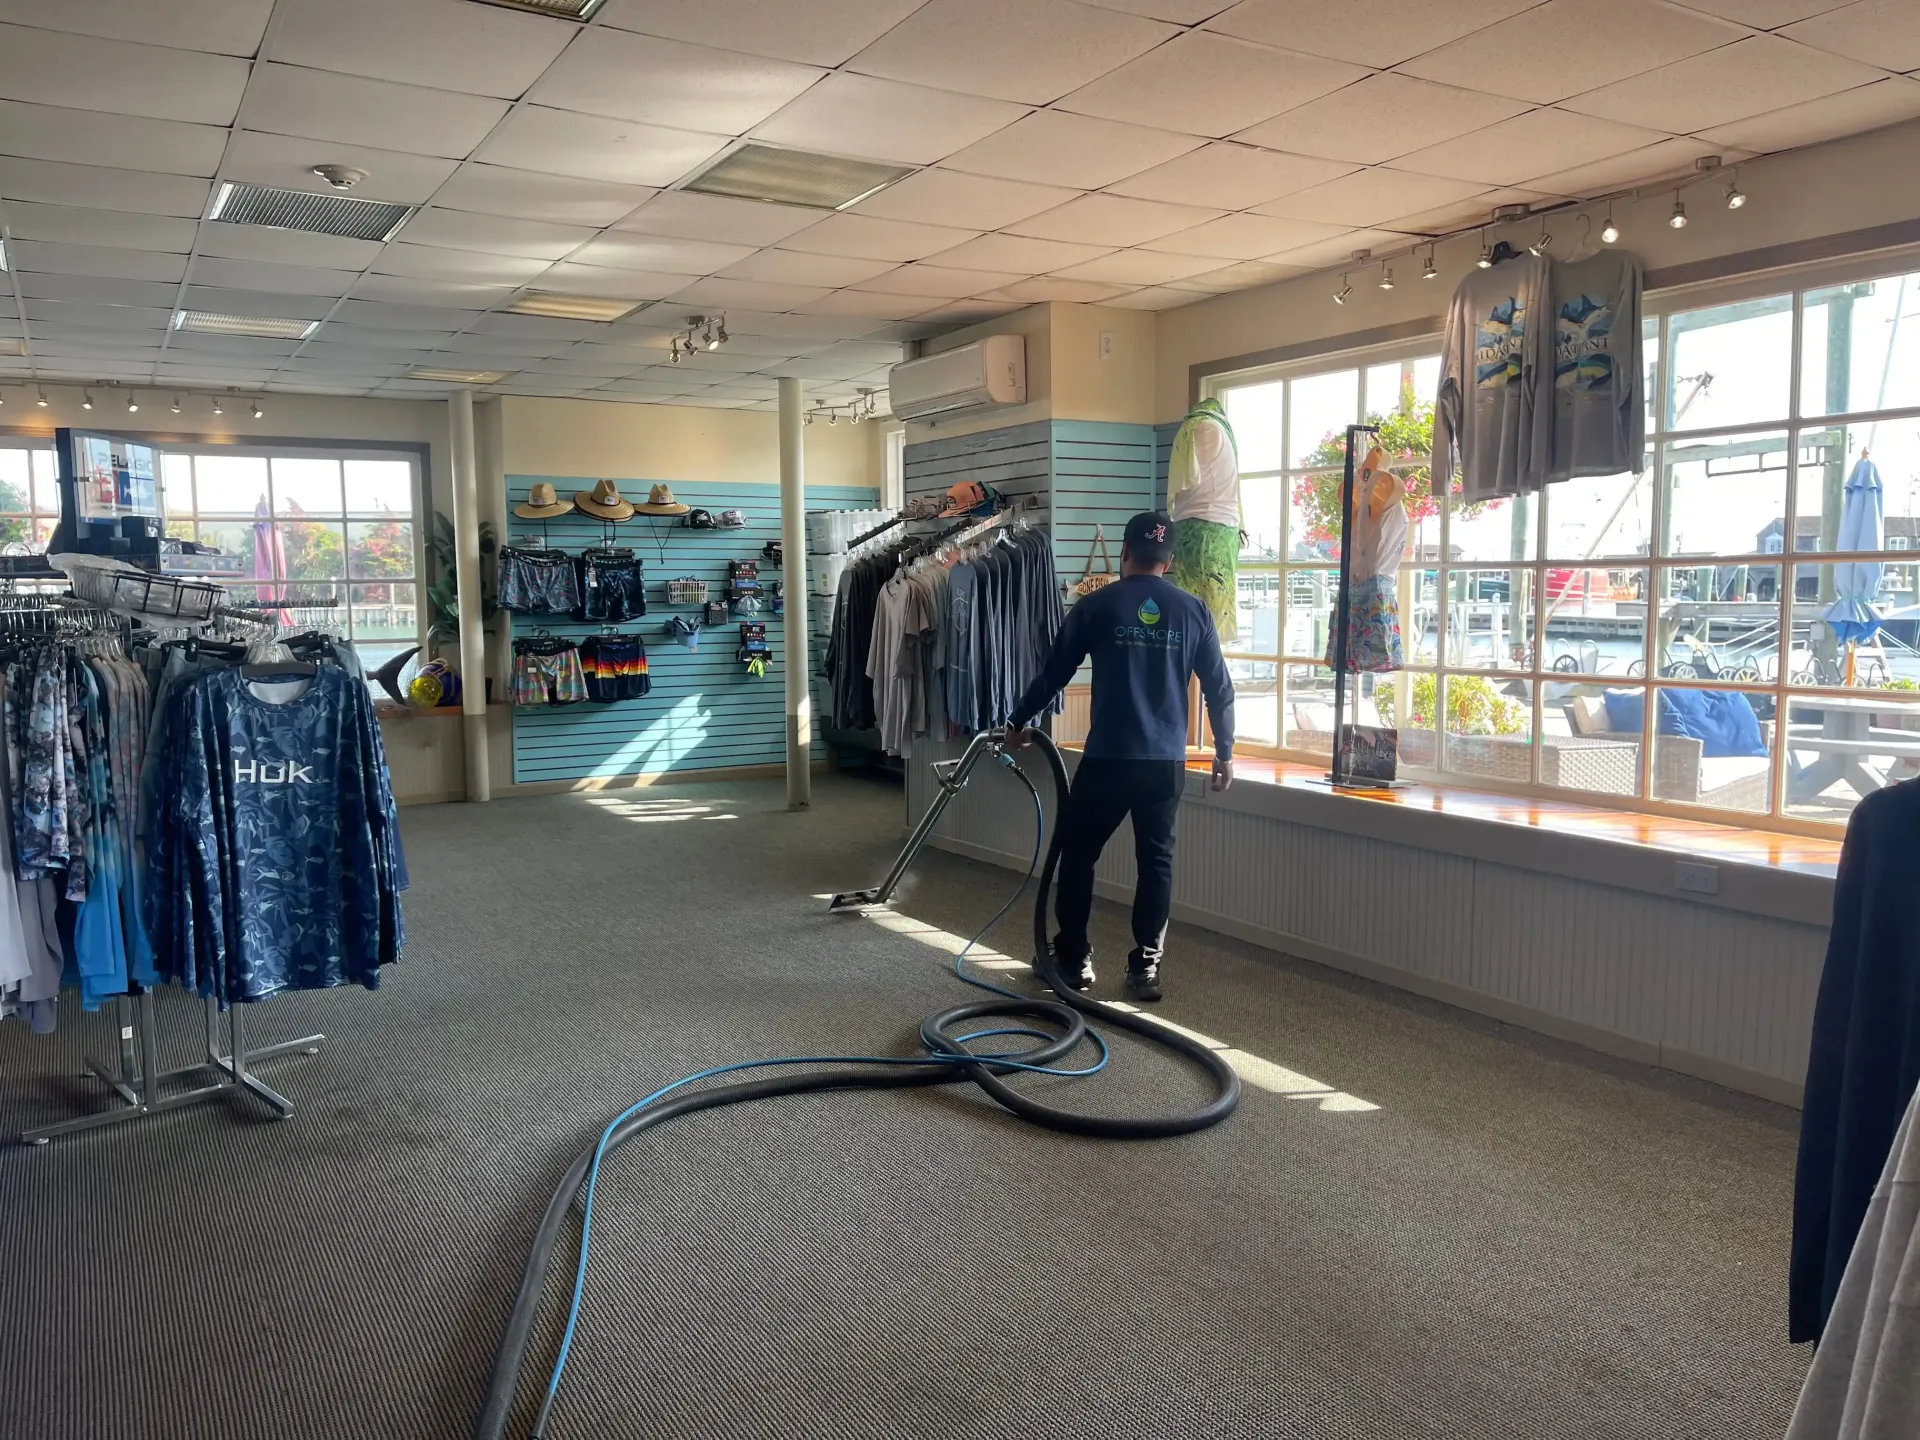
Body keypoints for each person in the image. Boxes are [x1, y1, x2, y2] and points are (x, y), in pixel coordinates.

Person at [1007, 511, 1234, 1003]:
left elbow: (1053, 675)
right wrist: (1225, 752)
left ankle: (1071, 960)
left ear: (1126, 553)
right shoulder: (1195, 612)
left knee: (1079, 856)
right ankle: (1145, 968)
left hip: (1109, 759)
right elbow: (1219, 689)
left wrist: (1018, 722)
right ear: (1168, 561)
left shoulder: (1097, 605)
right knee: (1155, 863)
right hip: (1165, 764)